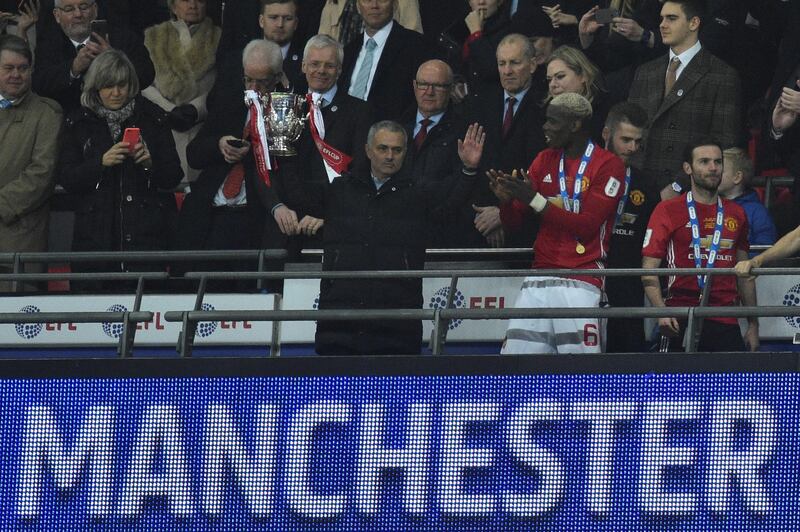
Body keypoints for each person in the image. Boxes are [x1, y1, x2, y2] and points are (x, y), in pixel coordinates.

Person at [314, 119, 481, 355]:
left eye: (397, 150)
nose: (389, 156)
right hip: (340, 319)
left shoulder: (418, 193)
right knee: (337, 390)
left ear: (405, 152)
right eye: (383, 148)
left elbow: (451, 205)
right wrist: (283, 157)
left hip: (397, 321)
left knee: (393, 390)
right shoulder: (340, 189)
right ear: (368, 150)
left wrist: (468, 170)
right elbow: (298, 196)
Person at [490, 92, 625, 354]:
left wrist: (534, 199)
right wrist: (507, 202)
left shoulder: (609, 166)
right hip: (539, 277)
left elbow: (587, 225)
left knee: (579, 376)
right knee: (516, 368)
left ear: (574, 125)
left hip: (582, 279)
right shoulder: (544, 159)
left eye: (553, 121)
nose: (545, 127)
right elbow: (515, 222)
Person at [175, 39, 305, 288]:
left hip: (254, 218)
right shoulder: (229, 102)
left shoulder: (287, 110)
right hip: (212, 216)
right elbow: (194, 154)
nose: (253, 88)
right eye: (248, 80)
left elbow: (288, 167)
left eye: (262, 81)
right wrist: (219, 144)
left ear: (277, 77)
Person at [57, 49, 182, 285]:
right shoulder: (77, 122)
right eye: (108, 86)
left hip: (147, 239)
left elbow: (173, 176)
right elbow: (66, 177)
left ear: (131, 85)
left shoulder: (153, 118)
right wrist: (99, 163)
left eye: (122, 85)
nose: (116, 93)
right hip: (94, 240)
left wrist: (149, 164)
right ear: (95, 87)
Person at [642, 138, 758, 352]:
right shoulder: (667, 210)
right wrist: (661, 312)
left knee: (729, 385)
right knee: (673, 385)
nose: (713, 168)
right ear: (688, 168)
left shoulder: (737, 213)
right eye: (704, 161)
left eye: (718, 162)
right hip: (679, 315)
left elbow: (745, 273)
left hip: (725, 318)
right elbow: (648, 269)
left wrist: (753, 324)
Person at [627, 0, 742, 196]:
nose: (662, 24)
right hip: (638, 187)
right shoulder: (645, 72)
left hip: (687, 193)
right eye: (661, 18)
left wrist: (678, 186)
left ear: (694, 23)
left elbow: (723, 142)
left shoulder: (722, 75)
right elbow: (630, 128)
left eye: (671, 18)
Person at [294, 34, 373, 247]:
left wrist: (329, 215)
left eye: (329, 65)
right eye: (314, 64)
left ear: (339, 70)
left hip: (336, 223)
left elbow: (360, 170)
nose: (321, 70)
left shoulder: (359, 111)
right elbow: (280, 167)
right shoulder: (288, 108)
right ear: (303, 66)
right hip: (291, 221)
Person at [468, 33, 546, 248]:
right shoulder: (479, 102)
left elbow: (539, 169)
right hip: (480, 219)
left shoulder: (545, 105)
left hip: (527, 225)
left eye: (514, 63)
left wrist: (503, 212)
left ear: (532, 65)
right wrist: (489, 212)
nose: (507, 71)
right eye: (502, 63)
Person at [0, 35, 62, 290]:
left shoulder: (47, 113)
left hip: (19, 238)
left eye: (23, 68)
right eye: (8, 68)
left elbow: (41, 173)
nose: (16, 74)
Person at [402, 59, 486, 247]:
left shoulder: (466, 130)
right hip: (399, 230)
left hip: (443, 235)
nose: (429, 92)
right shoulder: (397, 127)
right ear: (414, 86)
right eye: (423, 84)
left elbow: (458, 188)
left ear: (450, 89)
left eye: (438, 86)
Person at [143, 0, 221, 185]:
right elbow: (143, 82)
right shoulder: (152, 37)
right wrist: (168, 109)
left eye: (199, 0)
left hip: (202, 126)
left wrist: (196, 109)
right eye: (185, 0)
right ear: (172, 6)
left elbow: (221, 84)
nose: (193, 5)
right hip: (164, 126)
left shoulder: (219, 38)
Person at [601, 101, 658, 353]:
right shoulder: (582, 175)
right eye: (625, 139)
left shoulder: (645, 184)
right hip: (586, 276)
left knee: (627, 358)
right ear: (606, 134)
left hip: (628, 283)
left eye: (637, 141)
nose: (632, 148)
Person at [32, 0, 155, 114]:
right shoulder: (48, 45)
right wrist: (74, 67)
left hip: (125, 117)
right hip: (71, 122)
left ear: (95, 10)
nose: (78, 14)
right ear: (57, 15)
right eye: (69, 9)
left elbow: (147, 75)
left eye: (84, 7)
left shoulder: (124, 38)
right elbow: (40, 86)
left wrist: (112, 58)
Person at [340, 0, 429, 121]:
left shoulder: (416, 46)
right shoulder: (348, 50)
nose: (374, 5)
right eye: (367, 0)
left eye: (382, 0)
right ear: (358, 6)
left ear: (395, 4)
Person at [544, 44, 609, 141]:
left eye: (560, 76)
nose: (552, 84)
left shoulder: (604, 113)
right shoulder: (543, 114)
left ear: (583, 76)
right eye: (549, 80)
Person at [717, 147, 776, 253]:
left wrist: (743, 261)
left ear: (737, 177)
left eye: (720, 170)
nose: (714, 173)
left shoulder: (757, 211)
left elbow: (765, 248)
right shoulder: (708, 205)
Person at [319, 0, 422, 46]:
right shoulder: (334, 2)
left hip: (386, 67)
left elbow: (413, 40)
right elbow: (322, 40)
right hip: (342, 69)